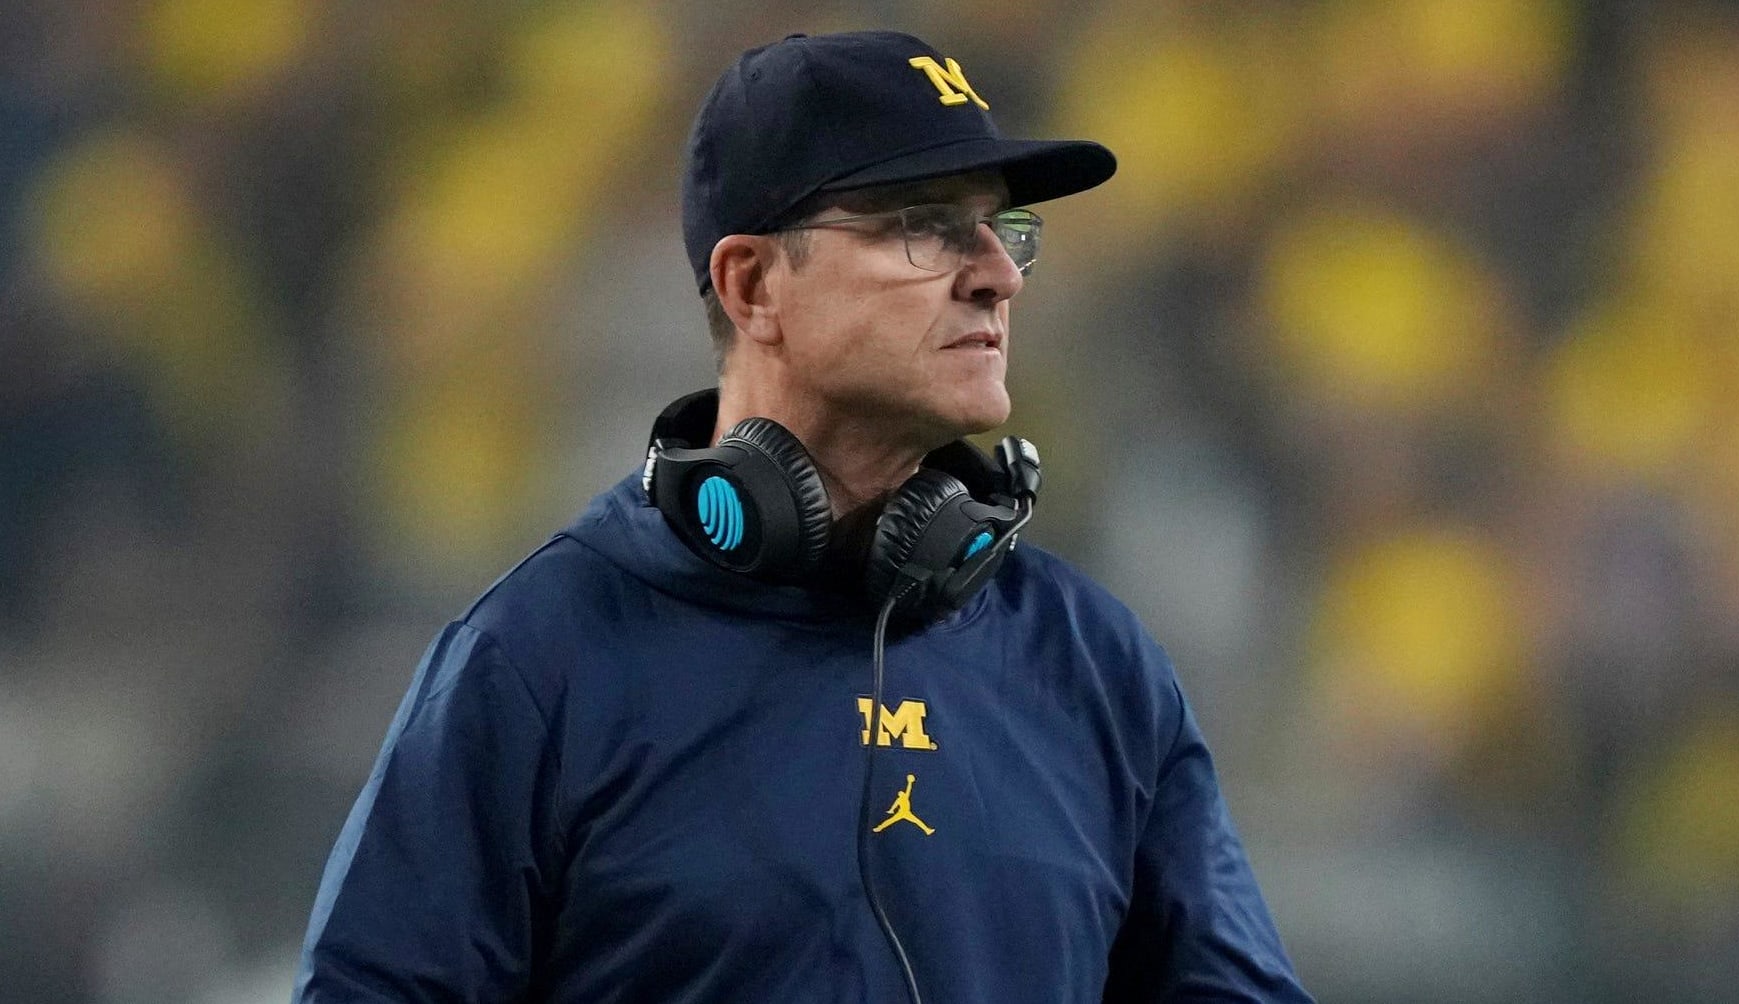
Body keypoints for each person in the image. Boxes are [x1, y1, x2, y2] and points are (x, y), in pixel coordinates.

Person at [293, 30, 1312, 1003]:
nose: (997, 274)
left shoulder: (1099, 669)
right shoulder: (539, 659)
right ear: (751, 283)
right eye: (924, 227)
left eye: (1005, 232)